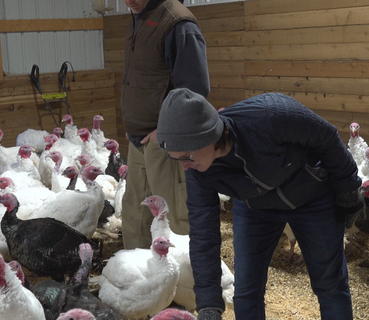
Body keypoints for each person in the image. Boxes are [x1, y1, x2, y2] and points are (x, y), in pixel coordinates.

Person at [156, 88, 363, 320]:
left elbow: (327, 138)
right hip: (255, 206)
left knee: (330, 285)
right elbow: (204, 232)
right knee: (245, 290)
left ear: (210, 136)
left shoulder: (271, 114)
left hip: (312, 198)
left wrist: (348, 190)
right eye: (176, 158)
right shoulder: (198, 169)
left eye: (186, 156)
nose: (184, 166)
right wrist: (209, 305)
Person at [120, 0, 210, 250]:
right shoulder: (139, 17)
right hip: (138, 140)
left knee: (174, 221)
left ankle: (186, 284)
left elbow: (195, 90)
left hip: (166, 143)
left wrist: (165, 131)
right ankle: (137, 282)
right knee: (135, 217)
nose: (128, 0)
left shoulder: (177, 22)